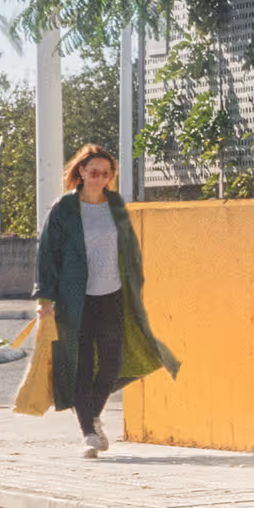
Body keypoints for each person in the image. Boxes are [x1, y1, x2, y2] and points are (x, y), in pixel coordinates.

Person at [31, 144, 178, 457]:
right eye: (94, 172)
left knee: (111, 365)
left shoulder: (116, 206)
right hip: (76, 300)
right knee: (82, 366)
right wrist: (45, 297)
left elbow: (129, 250)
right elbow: (47, 254)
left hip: (113, 296)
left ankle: (91, 416)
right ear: (81, 172)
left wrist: (135, 287)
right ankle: (88, 434)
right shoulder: (64, 208)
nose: (99, 178)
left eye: (106, 173)